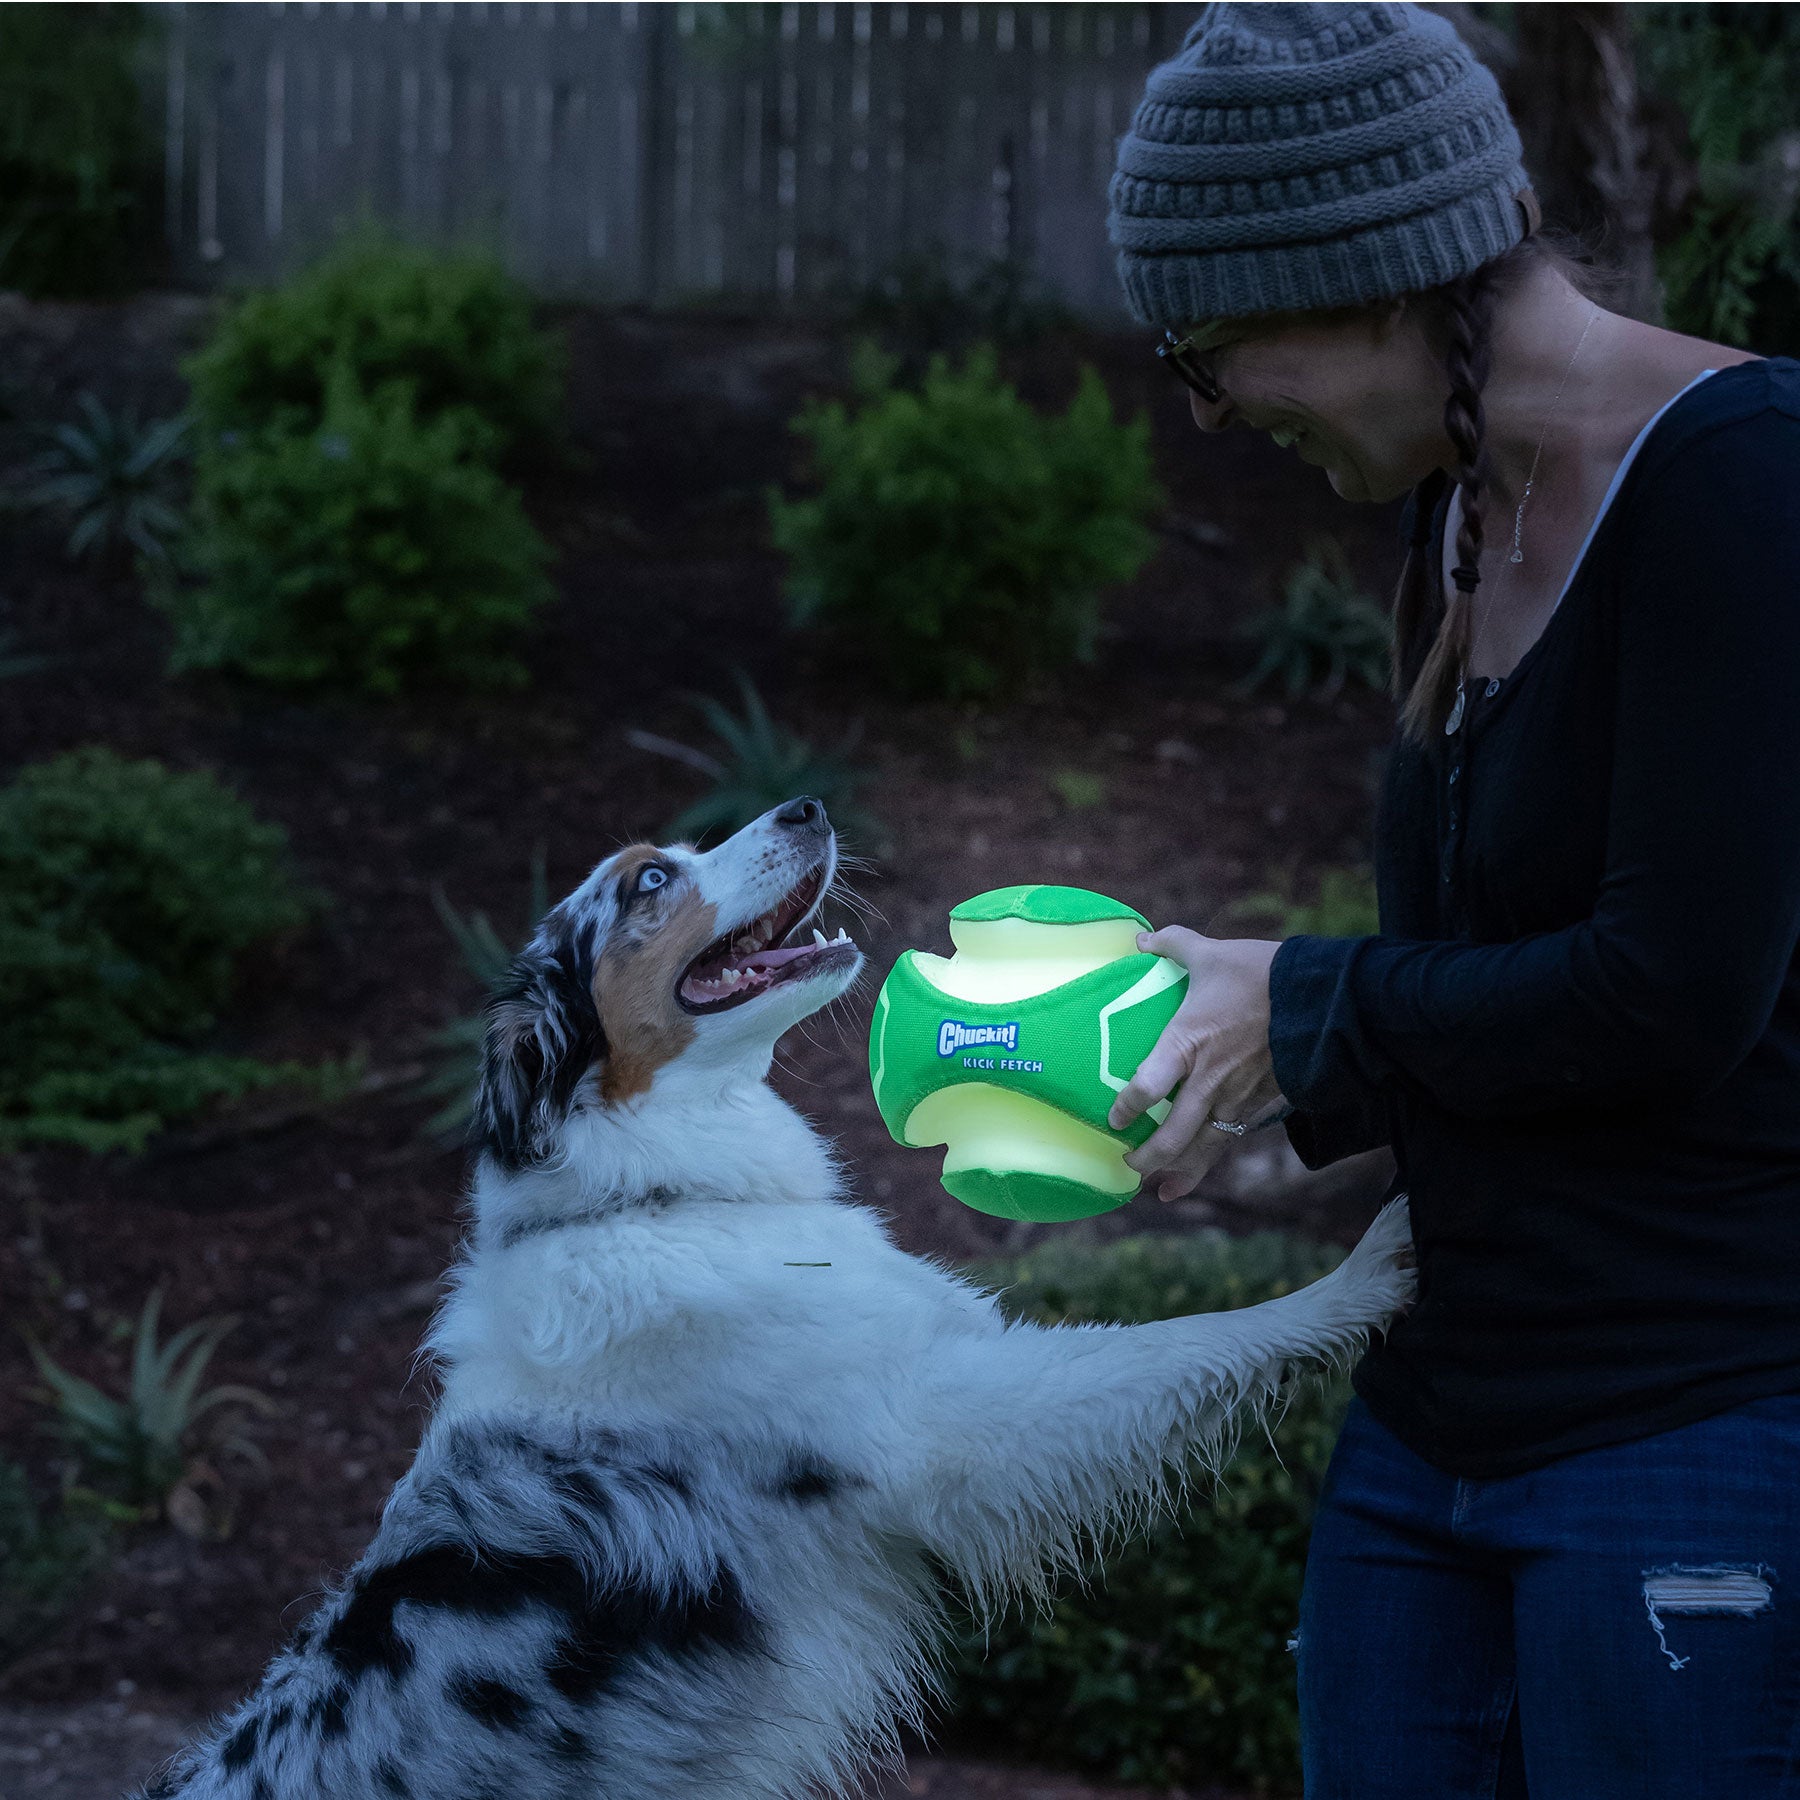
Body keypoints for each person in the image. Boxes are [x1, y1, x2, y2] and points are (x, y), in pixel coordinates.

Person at [1101, 4, 1800, 1795]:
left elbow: (1668, 994)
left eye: (1213, 349)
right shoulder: (1459, 512)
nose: (1205, 410)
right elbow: (1478, 983)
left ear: (1362, 278)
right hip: (1428, 1432)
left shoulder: (1745, 481)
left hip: (1692, 1427)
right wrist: (1248, 1066)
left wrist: (1314, 1005)